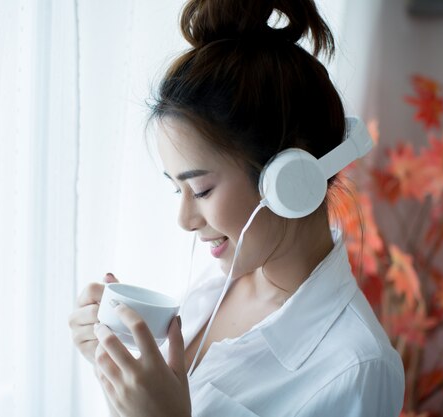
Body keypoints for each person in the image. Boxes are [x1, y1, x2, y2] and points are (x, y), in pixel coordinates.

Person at [68, 0, 406, 416]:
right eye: (178, 191)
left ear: (290, 178)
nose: (184, 221)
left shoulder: (355, 368)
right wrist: (116, 367)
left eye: (202, 190)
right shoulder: (217, 285)